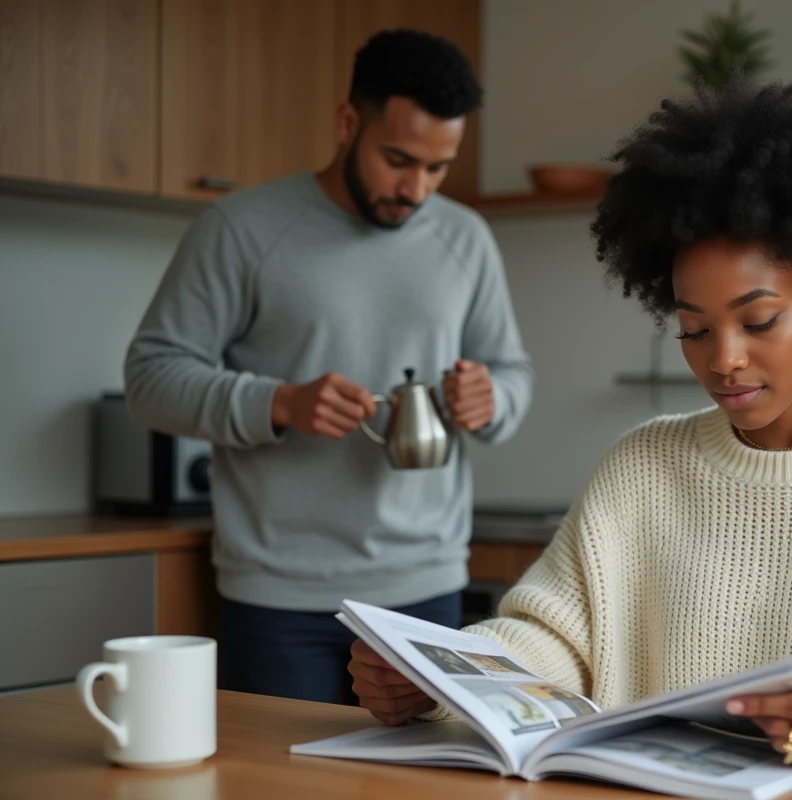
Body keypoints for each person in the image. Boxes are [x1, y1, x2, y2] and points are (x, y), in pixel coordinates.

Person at [348, 76, 792, 776]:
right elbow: (552, 639)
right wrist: (439, 683)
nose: (725, 360)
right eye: (693, 329)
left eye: (759, 320)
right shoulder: (642, 465)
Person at [124, 29, 534, 704]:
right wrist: (278, 403)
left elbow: (512, 371)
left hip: (426, 592)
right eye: (398, 159)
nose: (416, 189)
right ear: (348, 124)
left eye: (438, 168)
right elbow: (150, 378)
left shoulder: (466, 239)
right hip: (279, 599)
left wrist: (493, 400)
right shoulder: (239, 230)